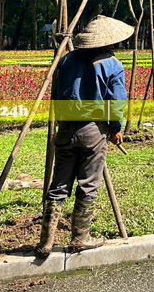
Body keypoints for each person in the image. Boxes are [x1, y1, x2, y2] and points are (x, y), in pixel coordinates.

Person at [36, 16, 132, 258]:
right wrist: (115, 128)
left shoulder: (66, 60)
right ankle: (80, 239)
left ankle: (45, 242)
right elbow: (116, 101)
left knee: (58, 187)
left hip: (65, 129)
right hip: (93, 131)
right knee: (88, 185)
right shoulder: (112, 64)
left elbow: (57, 93)